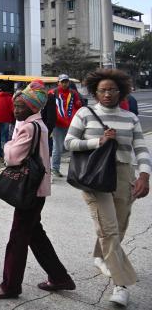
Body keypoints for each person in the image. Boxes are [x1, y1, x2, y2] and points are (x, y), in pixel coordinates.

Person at [64, 69, 150, 307]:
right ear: (95, 92)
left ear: (121, 91)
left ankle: (100, 256)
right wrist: (98, 141)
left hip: (124, 174)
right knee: (109, 229)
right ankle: (121, 285)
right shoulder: (85, 113)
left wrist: (144, 174)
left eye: (112, 89)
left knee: (118, 226)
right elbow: (68, 142)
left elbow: (141, 149)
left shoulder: (130, 117)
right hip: (95, 177)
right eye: (102, 90)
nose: (108, 94)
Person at [0, 80, 75, 299]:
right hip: (37, 188)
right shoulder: (38, 124)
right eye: (15, 106)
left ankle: (10, 286)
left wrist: (6, 146)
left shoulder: (29, 126)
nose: (16, 110)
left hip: (30, 189)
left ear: (33, 107)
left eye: (20, 106)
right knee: (35, 234)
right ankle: (60, 277)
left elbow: (12, 156)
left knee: (18, 238)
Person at [48, 74, 82, 177]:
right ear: (58, 82)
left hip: (72, 124)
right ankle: (55, 168)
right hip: (58, 124)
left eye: (66, 81)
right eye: (62, 81)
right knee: (57, 148)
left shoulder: (73, 93)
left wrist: (79, 103)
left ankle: (75, 170)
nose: (64, 83)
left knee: (74, 147)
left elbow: (79, 104)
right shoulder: (52, 93)